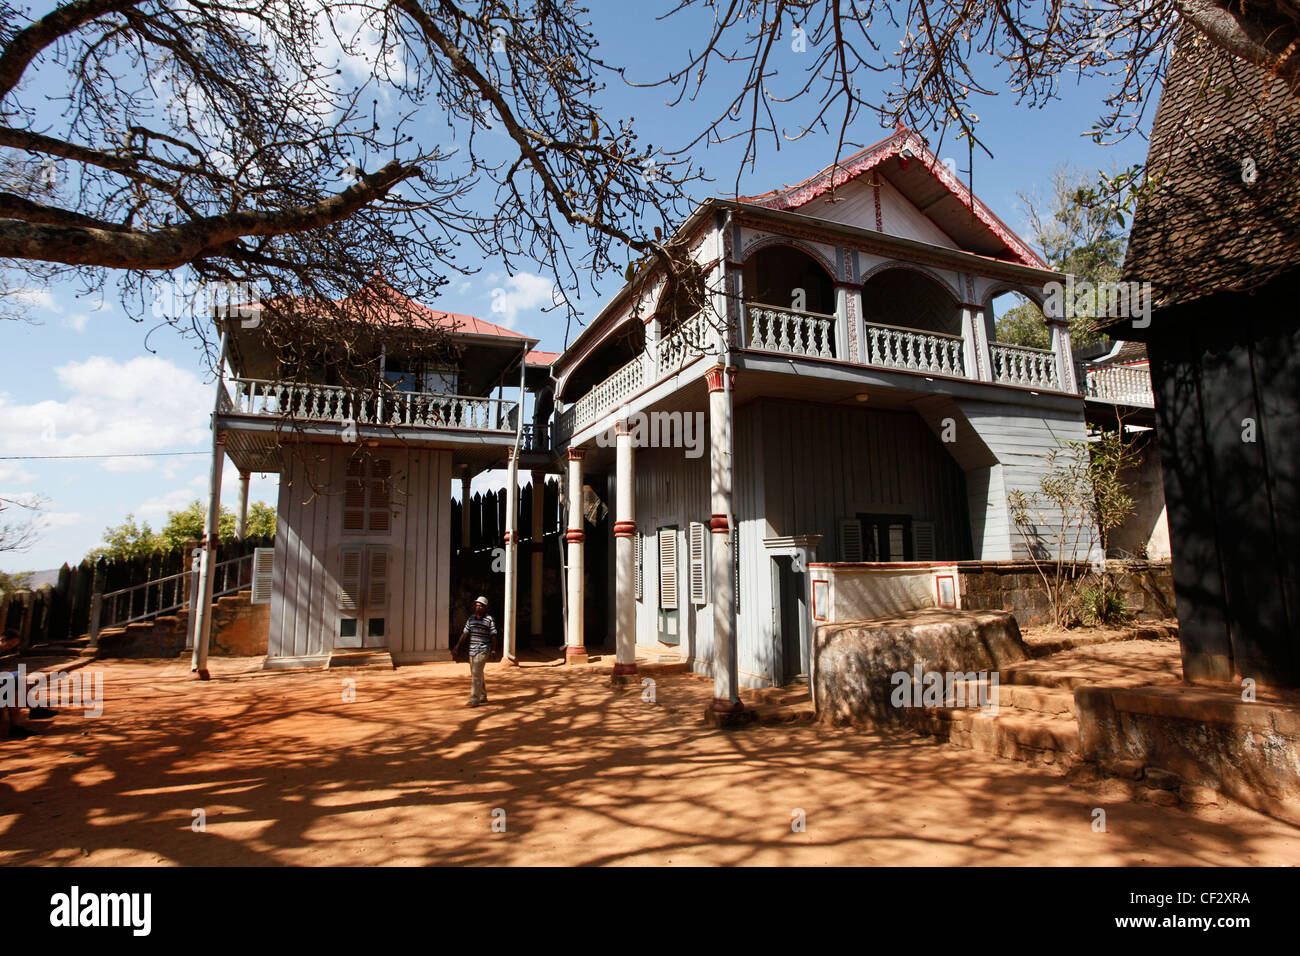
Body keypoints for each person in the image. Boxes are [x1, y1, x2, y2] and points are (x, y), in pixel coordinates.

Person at [453, 597, 498, 708]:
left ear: (485, 608)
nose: (478, 607)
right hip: (472, 650)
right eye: (477, 605)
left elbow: (493, 636)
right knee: (477, 673)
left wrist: (493, 650)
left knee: (476, 673)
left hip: (483, 650)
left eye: (481, 605)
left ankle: (474, 699)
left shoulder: (489, 619)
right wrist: (457, 647)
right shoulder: (471, 619)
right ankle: (482, 696)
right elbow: (465, 634)